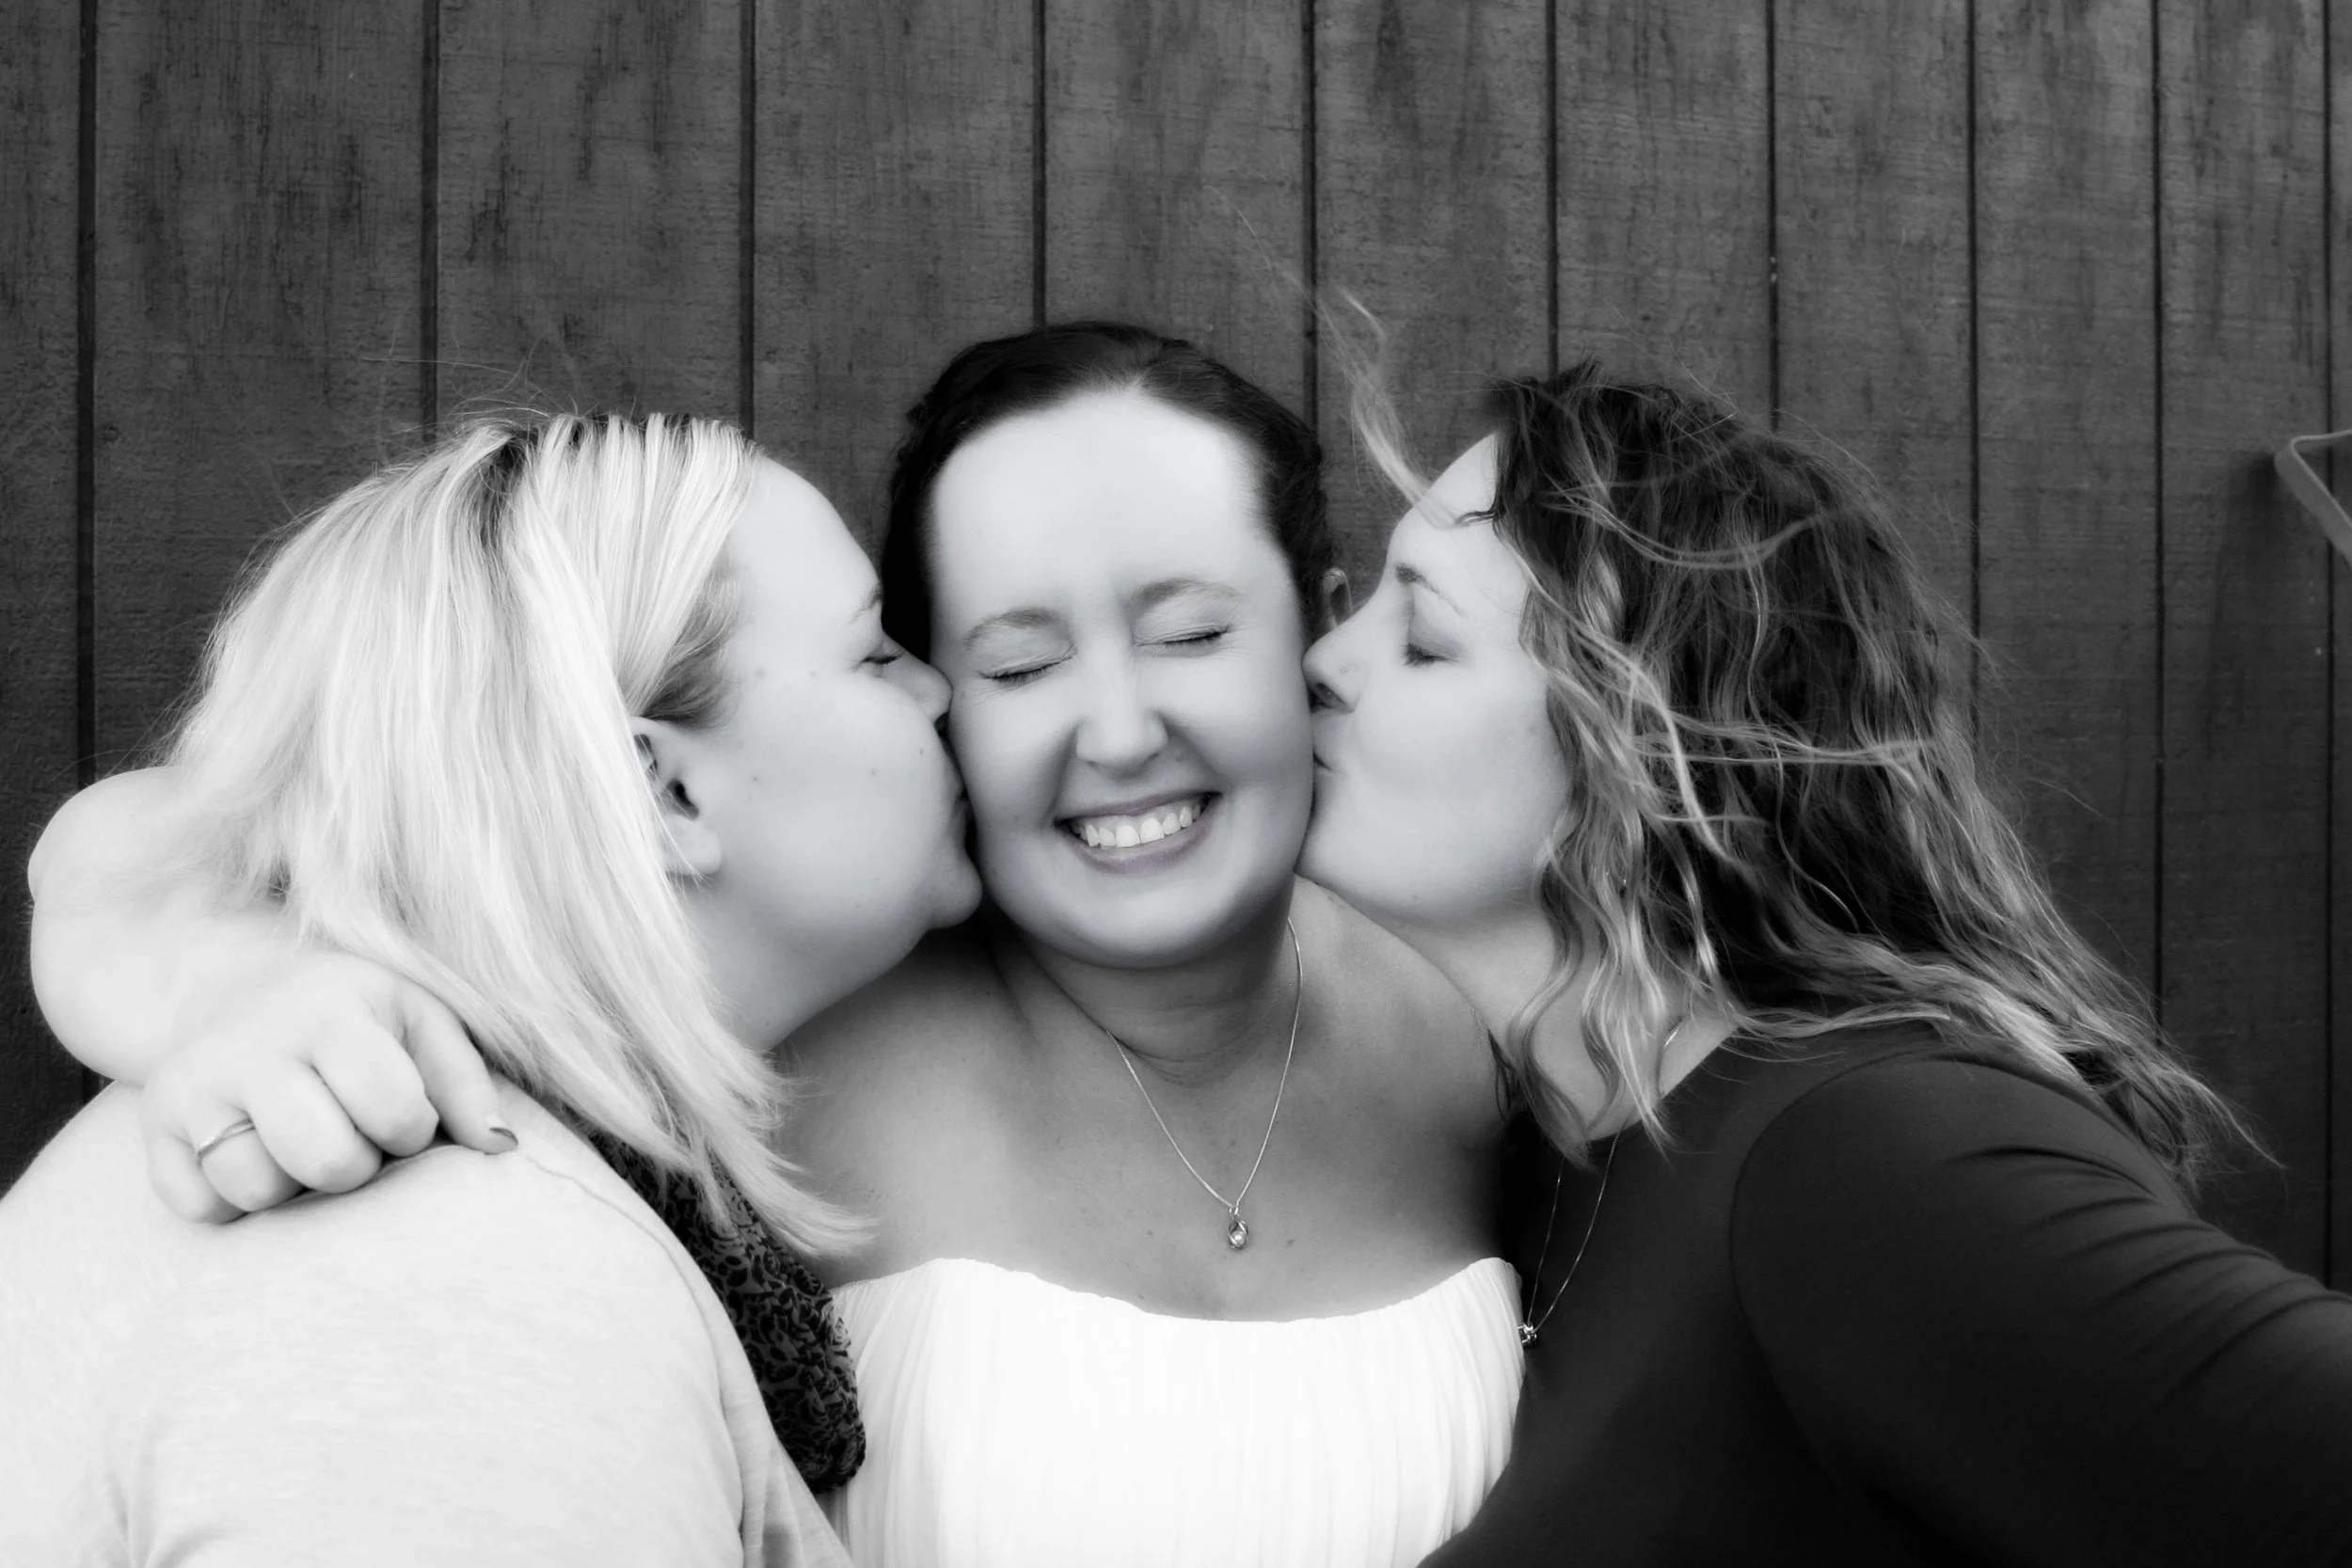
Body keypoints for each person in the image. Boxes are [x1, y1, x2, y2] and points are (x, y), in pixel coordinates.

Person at [24, 325, 1523, 1568]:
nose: (1107, 728)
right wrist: (208, 967)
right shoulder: (440, 1213)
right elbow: (168, 844)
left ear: (1318, 638)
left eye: (1194, 631)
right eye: (931, 659)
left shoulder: (1477, 1016)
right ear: (663, 787)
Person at [1297, 361, 2352, 1564]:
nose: (1327, 658)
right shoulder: (1575, 1138)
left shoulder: (1859, 1156)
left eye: (1424, 639)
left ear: (1643, 755)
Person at [4, 412, 980, 1564]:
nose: (940, 689)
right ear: (659, 792)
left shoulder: (406, 1180)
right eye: (873, 653)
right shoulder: (452, 1292)